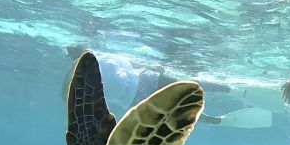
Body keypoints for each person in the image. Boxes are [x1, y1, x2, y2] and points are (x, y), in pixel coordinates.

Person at [64, 47, 278, 128]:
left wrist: (151, 65)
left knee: (185, 99)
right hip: (142, 89)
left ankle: (224, 104)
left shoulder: (98, 60)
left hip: (138, 95)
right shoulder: (87, 71)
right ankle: (220, 113)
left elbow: (129, 64)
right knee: (188, 93)